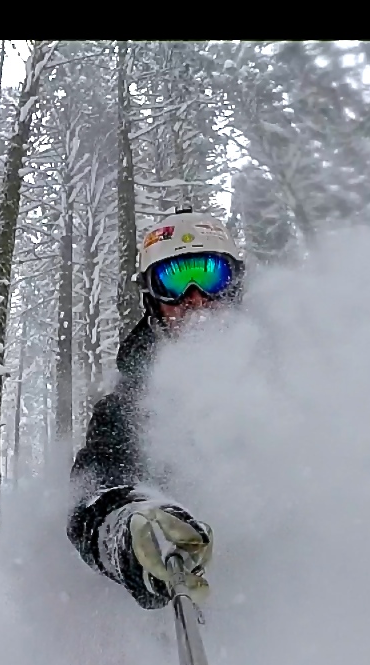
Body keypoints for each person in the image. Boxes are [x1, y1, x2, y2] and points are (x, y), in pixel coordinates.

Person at [66, 208, 246, 609]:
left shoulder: (297, 362)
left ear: (234, 286)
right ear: (152, 299)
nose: (194, 298)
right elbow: (95, 491)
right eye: (174, 282)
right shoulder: (129, 406)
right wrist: (128, 527)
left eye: (211, 276)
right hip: (185, 599)